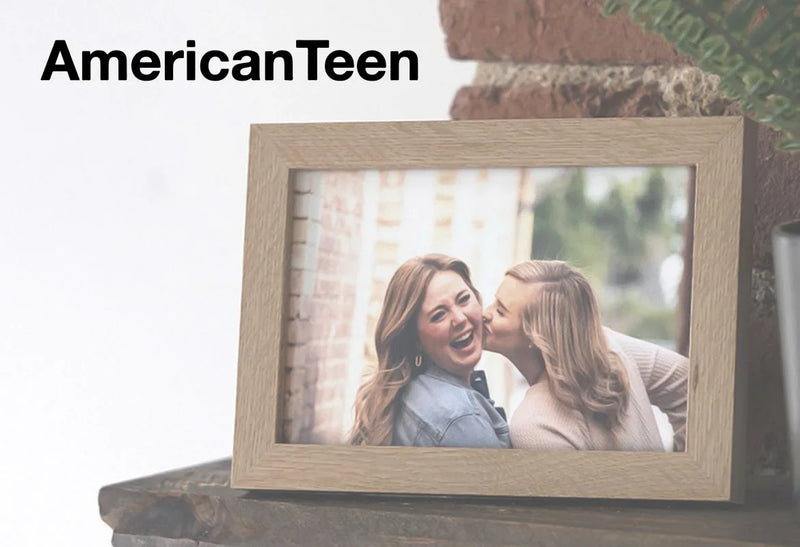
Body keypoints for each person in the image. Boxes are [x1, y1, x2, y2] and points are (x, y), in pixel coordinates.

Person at [482, 260, 688, 452]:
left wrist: (686, 469)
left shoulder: (534, 426)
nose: (484, 314)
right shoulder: (607, 347)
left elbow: (686, 384)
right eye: (494, 301)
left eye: (500, 311)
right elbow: (687, 381)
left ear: (536, 336)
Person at [349, 254, 511, 448]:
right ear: (415, 339)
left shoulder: (412, 391)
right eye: (438, 315)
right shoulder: (459, 418)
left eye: (464, 299)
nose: (459, 319)